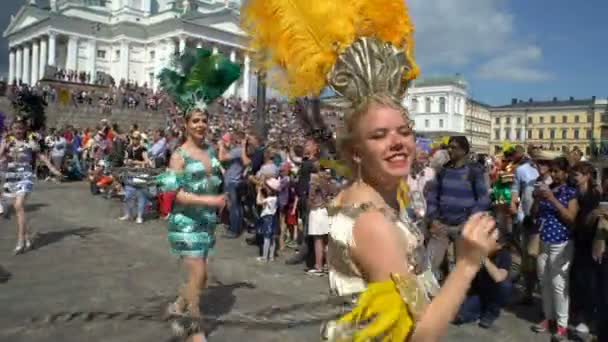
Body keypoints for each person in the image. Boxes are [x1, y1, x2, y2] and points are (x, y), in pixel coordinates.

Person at [242, 0, 500, 340]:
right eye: (379, 135)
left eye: (404, 131)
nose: (398, 142)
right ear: (355, 152)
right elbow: (418, 334)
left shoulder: (371, 195)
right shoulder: (372, 221)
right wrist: (466, 265)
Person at [157, 46, 240, 339]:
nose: (201, 125)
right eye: (195, 121)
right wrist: (211, 199)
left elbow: (219, 174)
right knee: (199, 276)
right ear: (186, 124)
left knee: (200, 280)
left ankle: (178, 305)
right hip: (185, 223)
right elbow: (175, 195)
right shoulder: (178, 156)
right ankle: (196, 332)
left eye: (204, 120)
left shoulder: (210, 151)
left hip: (206, 224)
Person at [0, 93, 62, 255]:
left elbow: (41, 155)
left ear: (25, 129)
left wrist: (52, 169)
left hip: (25, 176)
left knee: (19, 206)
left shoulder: (30, 142)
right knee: (12, 210)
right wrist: (3, 148)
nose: (18, 131)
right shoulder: (8, 141)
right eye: (15, 128)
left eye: (21, 128)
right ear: (12, 129)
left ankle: (20, 240)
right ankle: (27, 236)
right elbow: (2, 158)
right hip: (11, 177)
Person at [531, 157, 578, 341]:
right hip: (543, 240)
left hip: (561, 241)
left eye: (557, 171)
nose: (554, 174)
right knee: (544, 281)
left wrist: (552, 200)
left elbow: (571, 218)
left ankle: (562, 325)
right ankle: (547, 317)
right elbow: (535, 214)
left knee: (559, 284)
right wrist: (537, 199)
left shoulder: (570, 192)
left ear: (565, 173)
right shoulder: (547, 189)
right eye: (552, 171)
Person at [453, 234, 513, 329]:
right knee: (459, 316)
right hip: (479, 292)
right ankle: (481, 311)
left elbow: (498, 277)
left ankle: (491, 313)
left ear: (500, 245)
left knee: (505, 285)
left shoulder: (504, 255)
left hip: (495, 293)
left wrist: (484, 259)